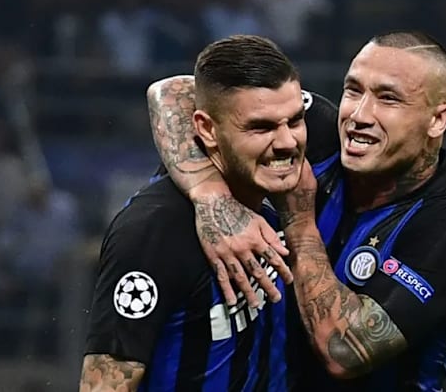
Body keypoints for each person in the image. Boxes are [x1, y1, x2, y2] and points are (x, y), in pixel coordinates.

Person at [148, 31, 446, 391]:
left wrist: (299, 223)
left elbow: (344, 353)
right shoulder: (316, 133)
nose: (359, 114)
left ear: (438, 120)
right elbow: (172, 92)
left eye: (388, 98)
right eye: (353, 90)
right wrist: (211, 196)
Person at [79, 35, 337, 391]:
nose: (287, 143)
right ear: (206, 129)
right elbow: (105, 383)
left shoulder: (281, 195)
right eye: (260, 127)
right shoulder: (154, 231)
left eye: (294, 122)